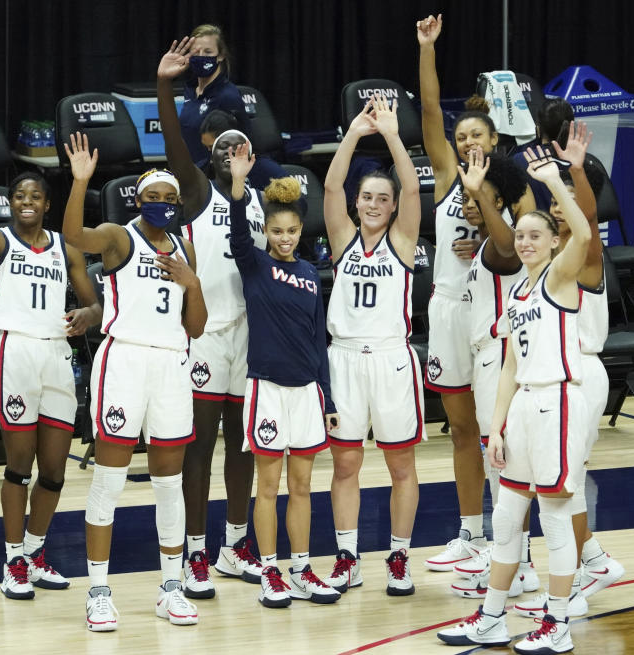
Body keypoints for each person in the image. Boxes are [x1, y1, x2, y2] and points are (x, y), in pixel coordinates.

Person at [438, 145, 591, 654]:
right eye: (520, 236)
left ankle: (559, 622)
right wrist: (497, 427)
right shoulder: (520, 294)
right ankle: (492, 618)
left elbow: (585, 234)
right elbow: (508, 366)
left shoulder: (562, 277)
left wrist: (552, 184)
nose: (524, 243)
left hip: (557, 403)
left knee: (554, 516)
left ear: (552, 241)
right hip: (523, 406)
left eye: (534, 236)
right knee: (505, 519)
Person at [0, 147, 103, 601]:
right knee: (18, 464)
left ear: (47, 204)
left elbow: (93, 301)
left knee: (54, 469)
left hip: (56, 355)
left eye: (35, 196)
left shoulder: (65, 246)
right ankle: (13, 559)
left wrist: (88, 316)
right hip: (14, 353)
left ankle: (35, 553)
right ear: (11, 203)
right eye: (19, 196)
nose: (26, 201)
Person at [63, 132, 208, 631]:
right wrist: (81, 182)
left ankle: (171, 587)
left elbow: (197, 326)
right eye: (154, 197)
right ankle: (98, 592)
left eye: (171, 199)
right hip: (124, 363)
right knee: (109, 480)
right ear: (139, 200)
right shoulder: (119, 235)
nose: (163, 205)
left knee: (170, 485)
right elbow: (74, 238)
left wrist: (192, 284)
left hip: (172, 365)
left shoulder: (185, 247)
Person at [416, 13, 536, 574]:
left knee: (496, 429)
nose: (465, 141)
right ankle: (469, 532)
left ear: (493, 139)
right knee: (461, 427)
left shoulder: (511, 188)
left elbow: (518, 248)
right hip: (446, 307)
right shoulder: (444, 174)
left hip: (493, 314)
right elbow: (431, 111)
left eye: (476, 136)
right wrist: (427, 49)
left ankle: (507, 539)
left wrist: (487, 218)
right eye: (461, 137)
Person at [158, 36, 265, 597]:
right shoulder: (198, 192)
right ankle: (196, 551)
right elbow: (175, 146)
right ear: (211, 153)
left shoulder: (262, 200)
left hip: (247, 336)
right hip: (204, 333)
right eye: (222, 148)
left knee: (242, 445)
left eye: (239, 147)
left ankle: (234, 545)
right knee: (199, 446)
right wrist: (165, 86)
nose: (231, 155)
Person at [512, 121, 625, 619]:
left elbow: (590, 215)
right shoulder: (550, 257)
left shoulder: (586, 256)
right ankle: (593, 562)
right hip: (556, 375)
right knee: (562, 483)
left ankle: (577, 581)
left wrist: (575, 171)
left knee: (565, 487)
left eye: (565, 202)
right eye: (555, 199)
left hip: (580, 372)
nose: (558, 207)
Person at [225, 142, 340, 609]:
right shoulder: (255, 266)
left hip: (307, 392)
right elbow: (236, 237)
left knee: (303, 487)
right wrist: (237, 186)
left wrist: (328, 399)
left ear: (300, 229)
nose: (285, 237)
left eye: (292, 230)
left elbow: (318, 343)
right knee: (268, 487)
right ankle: (270, 568)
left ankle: (301, 568)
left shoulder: (313, 274)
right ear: (267, 231)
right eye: (277, 230)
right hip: (267, 390)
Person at [320, 93, 425, 597]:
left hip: (390, 358)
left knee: (400, 464)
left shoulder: (403, 240)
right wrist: (356, 131)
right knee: (345, 464)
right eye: (368, 197)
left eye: (383, 198)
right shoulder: (342, 237)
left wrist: (390, 133)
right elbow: (332, 183)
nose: (375, 204)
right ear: (357, 202)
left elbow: (411, 184)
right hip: (344, 358)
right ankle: (347, 556)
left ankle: (399, 556)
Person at [446, 150, 539, 600]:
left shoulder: (507, 246)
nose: (469, 201)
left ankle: (517, 565)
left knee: (505, 467)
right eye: (466, 195)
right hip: (492, 358)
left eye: (479, 195)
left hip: (499, 358)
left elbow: (504, 247)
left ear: (497, 199)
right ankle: (514, 561)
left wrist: (481, 192)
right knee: (504, 466)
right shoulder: (485, 244)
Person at [179, 24, 250, 163]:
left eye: (208, 52)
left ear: (220, 56)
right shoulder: (190, 90)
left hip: (210, 178)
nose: (201, 57)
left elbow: (242, 147)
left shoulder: (228, 96)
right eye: (196, 52)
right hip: (188, 172)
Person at [198, 110, 287, 191]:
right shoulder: (202, 171)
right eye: (208, 148)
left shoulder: (268, 172)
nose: (211, 153)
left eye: (213, 146)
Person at [513, 98, 576, 211]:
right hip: (574, 226)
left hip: (537, 227)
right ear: (571, 127)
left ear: (538, 128)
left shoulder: (520, 161)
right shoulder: (580, 162)